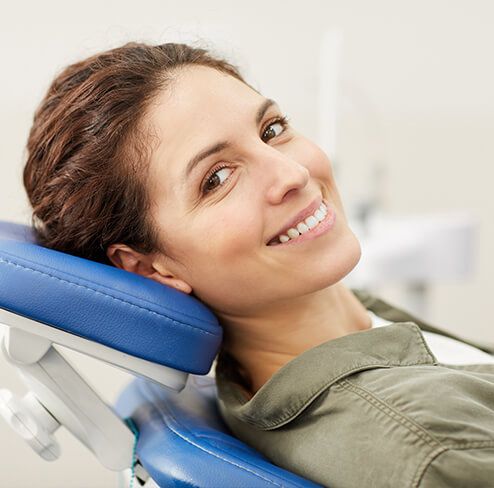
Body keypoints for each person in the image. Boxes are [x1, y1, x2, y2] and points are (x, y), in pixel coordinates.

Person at [22, 41, 494, 487]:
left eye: (271, 130)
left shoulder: (347, 333)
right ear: (150, 269)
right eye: (218, 178)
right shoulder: (436, 449)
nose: (293, 173)